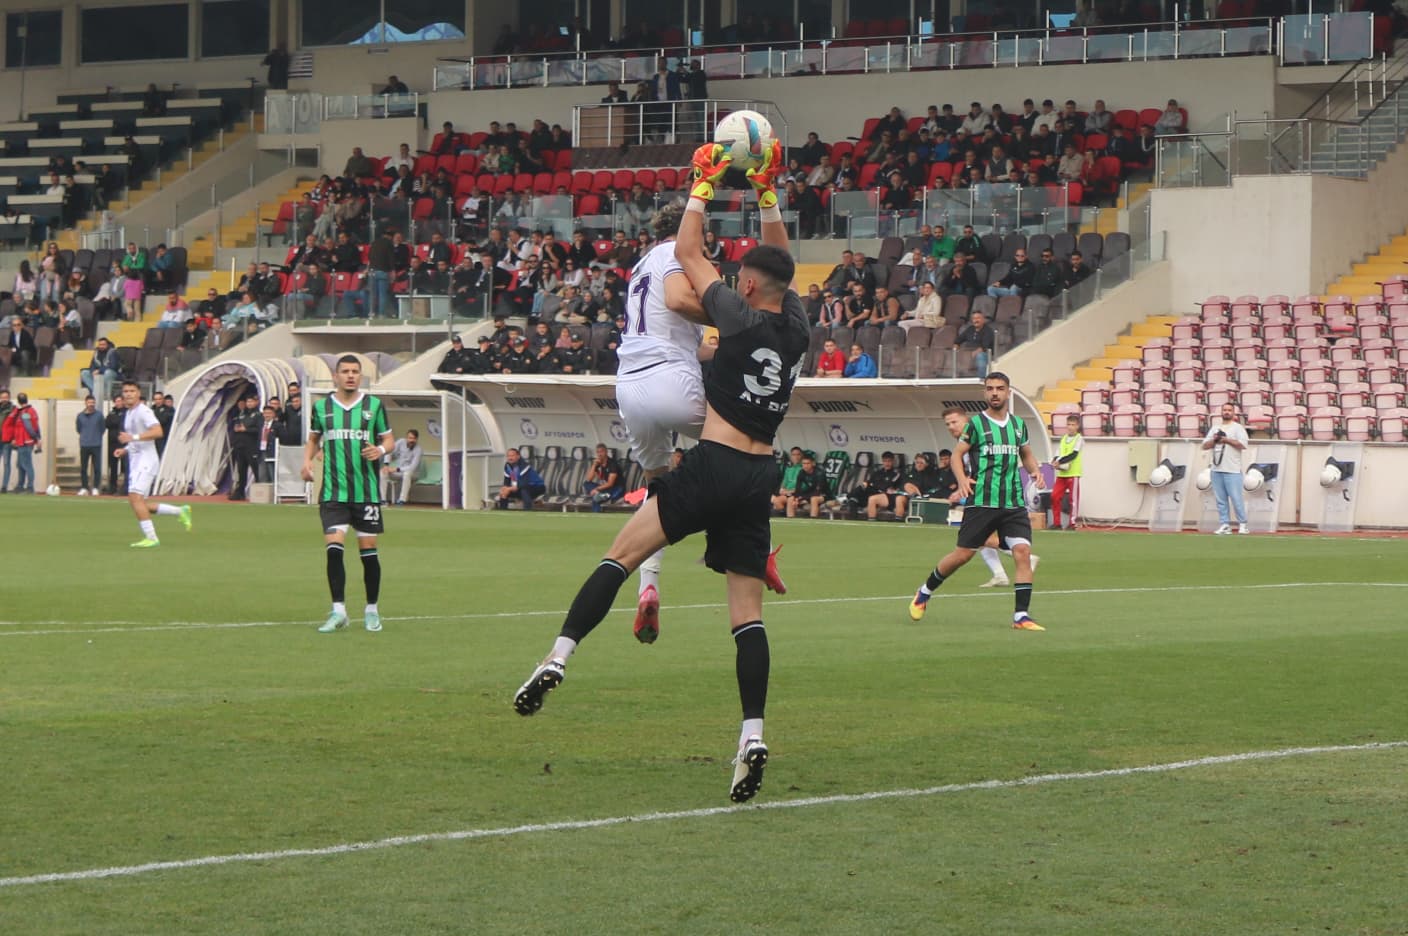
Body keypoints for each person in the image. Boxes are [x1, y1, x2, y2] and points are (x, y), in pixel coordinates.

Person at [512, 138, 809, 805]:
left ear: (747, 286)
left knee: (618, 556)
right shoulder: (797, 328)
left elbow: (687, 254)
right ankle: (753, 735)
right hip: (760, 476)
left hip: (713, 461)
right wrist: (765, 192)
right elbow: (781, 261)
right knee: (747, 618)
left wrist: (703, 185)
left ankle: (557, 656)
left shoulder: (734, 314)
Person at [610, 200, 720, 638]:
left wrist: (718, 346)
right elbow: (678, 301)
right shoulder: (677, 253)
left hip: (630, 385)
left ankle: (648, 584)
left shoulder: (642, 266)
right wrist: (734, 315)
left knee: (657, 485)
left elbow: (681, 337)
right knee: (742, 444)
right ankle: (746, 546)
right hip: (668, 377)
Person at [910, 378, 1046, 630]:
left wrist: (1035, 471)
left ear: (1008, 393)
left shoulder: (1018, 425)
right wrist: (962, 480)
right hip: (982, 501)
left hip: (1013, 502)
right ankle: (925, 591)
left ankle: (1021, 616)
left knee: (1023, 552)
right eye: (990, 389)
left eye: (1000, 389)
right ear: (985, 393)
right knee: (963, 555)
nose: (995, 393)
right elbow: (957, 455)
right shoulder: (976, 424)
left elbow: (1026, 453)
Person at [302, 356, 395, 633]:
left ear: (360, 375)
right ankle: (338, 611)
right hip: (333, 492)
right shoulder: (322, 407)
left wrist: (380, 450)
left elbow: (388, 439)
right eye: (345, 371)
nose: (350, 376)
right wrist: (306, 462)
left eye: (355, 371)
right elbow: (313, 438)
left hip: (366, 492)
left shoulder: (373, 406)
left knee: (369, 553)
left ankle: (371, 610)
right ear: (336, 376)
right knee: (333, 550)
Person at [112, 382, 192, 546]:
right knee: (138, 502)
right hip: (136, 461)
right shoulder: (129, 413)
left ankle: (152, 538)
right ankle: (179, 511)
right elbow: (136, 439)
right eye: (125, 391)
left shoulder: (144, 411)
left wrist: (132, 438)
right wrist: (125, 449)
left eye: (132, 391)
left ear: (138, 393)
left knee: (135, 498)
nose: (128, 394)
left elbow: (158, 431)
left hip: (146, 461)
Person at [1202, 402, 1250, 535]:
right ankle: (1225, 524)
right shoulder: (1215, 428)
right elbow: (1204, 445)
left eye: (1229, 410)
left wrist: (1226, 440)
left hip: (1232, 469)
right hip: (1216, 469)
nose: (1227, 412)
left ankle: (1243, 524)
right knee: (1220, 499)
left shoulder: (1238, 428)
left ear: (1233, 413)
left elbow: (1243, 445)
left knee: (1236, 498)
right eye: (1224, 410)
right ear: (1221, 412)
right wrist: (1215, 440)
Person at [1049, 414, 1083, 530]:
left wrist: (1059, 462)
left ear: (1077, 426)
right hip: (1062, 473)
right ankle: (1057, 523)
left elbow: (1074, 454)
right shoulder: (1064, 438)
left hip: (1073, 473)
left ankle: (1072, 523)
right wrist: (1054, 461)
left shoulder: (1079, 439)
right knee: (1054, 496)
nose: (1070, 427)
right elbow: (1058, 452)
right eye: (1069, 424)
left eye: (1073, 425)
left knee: (1073, 500)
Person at [4, 392, 41, 493]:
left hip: (25, 442)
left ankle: (30, 487)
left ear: (19, 401)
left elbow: (29, 427)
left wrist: (36, 438)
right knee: (21, 465)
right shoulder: (30, 411)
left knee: (26, 465)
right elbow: (36, 426)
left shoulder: (24, 413)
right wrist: (38, 438)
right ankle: (20, 486)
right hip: (23, 442)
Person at [379, 428, 423, 506]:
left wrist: (396, 469)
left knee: (407, 473)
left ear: (416, 439)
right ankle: (383, 500)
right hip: (399, 472)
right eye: (409, 438)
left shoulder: (418, 450)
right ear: (406, 437)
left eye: (413, 438)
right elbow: (389, 451)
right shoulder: (401, 442)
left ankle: (402, 500)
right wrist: (386, 465)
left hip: (413, 474)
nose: (411, 440)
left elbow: (412, 467)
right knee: (383, 472)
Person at [955, 309, 997, 378]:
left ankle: (981, 379)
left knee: (980, 356)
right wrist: (956, 346)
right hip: (969, 353)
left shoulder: (988, 330)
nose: (976, 320)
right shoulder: (970, 329)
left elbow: (984, 346)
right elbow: (958, 340)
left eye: (978, 318)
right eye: (974, 318)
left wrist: (974, 353)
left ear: (983, 320)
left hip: (985, 355)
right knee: (958, 354)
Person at [582, 443, 624, 511]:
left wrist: (597, 489)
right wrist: (594, 465)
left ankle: (596, 514)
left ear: (606, 452)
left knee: (596, 499)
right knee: (586, 484)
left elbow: (610, 484)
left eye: (601, 451)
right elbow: (589, 479)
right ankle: (598, 494)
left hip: (615, 490)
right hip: (605, 489)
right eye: (598, 452)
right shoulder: (598, 463)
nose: (599, 454)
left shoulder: (612, 464)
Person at [0, 389, 12, 492]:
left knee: (6, 463)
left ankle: (4, 486)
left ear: (9, 398)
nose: (4, 399)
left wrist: (14, 438)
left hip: (7, 440)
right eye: (2, 397)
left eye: (6, 397)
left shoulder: (13, 409)